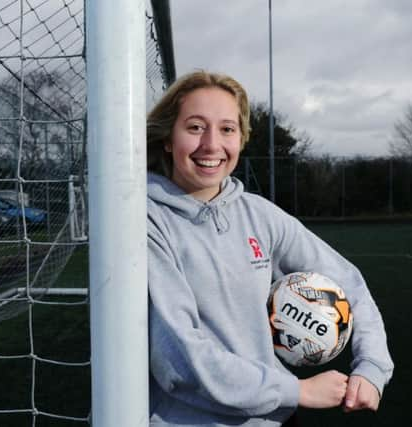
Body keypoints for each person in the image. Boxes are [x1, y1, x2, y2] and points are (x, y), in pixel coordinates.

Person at [147, 70, 393, 427]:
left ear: (241, 138)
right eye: (196, 127)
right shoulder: (146, 220)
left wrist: (372, 367)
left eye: (227, 129)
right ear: (169, 138)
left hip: (273, 419)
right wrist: (297, 391)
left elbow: (349, 284)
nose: (212, 145)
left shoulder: (259, 215)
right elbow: (179, 358)